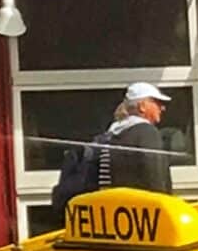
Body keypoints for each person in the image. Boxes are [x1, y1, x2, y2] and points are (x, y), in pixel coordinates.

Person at [47, 81, 177, 224]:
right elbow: (155, 177)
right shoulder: (146, 133)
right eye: (157, 102)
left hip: (115, 218)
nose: (162, 108)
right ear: (142, 106)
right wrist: (165, 215)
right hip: (143, 220)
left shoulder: (111, 135)